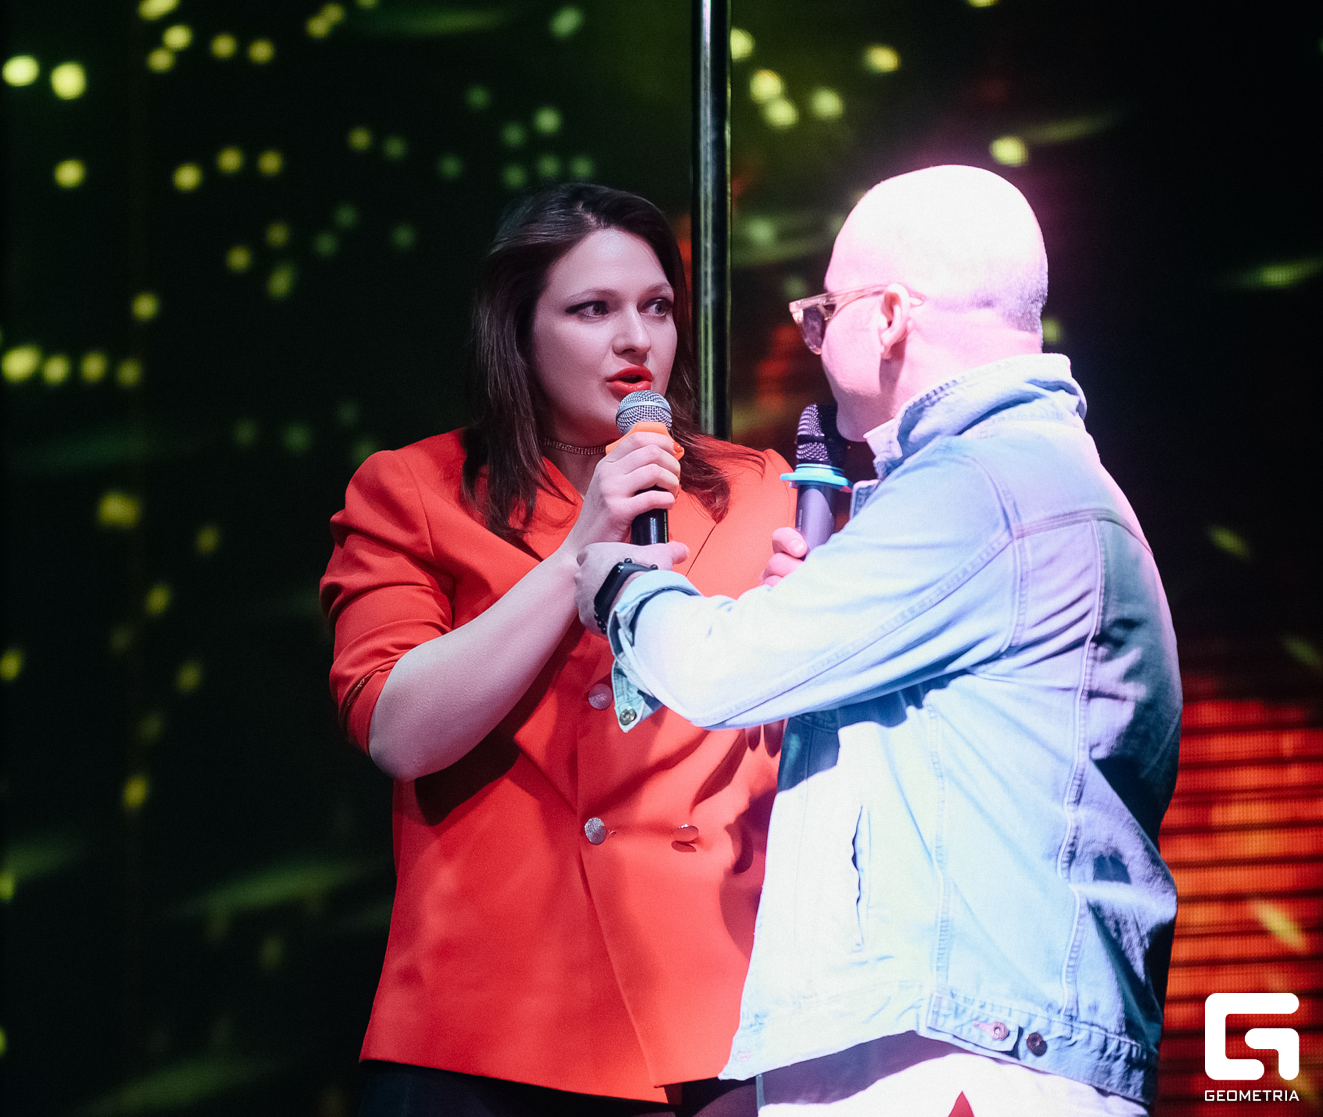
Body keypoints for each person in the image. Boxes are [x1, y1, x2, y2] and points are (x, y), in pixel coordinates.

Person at [575, 165, 1180, 1115]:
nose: (813, 340)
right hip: (966, 1042)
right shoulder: (1035, 478)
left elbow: (722, 668)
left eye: (825, 313)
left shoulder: (978, 484)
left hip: (957, 1057)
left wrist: (620, 582)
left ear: (891, 315)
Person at [320, 184, 793, 1117]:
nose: (636, 339)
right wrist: (580, 552)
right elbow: (397, 730)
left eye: (657, 306)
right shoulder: (416, 489)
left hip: (715, 1008)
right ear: (519, 329)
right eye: (592, 310)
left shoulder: (758, 491)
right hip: (492, 1024)